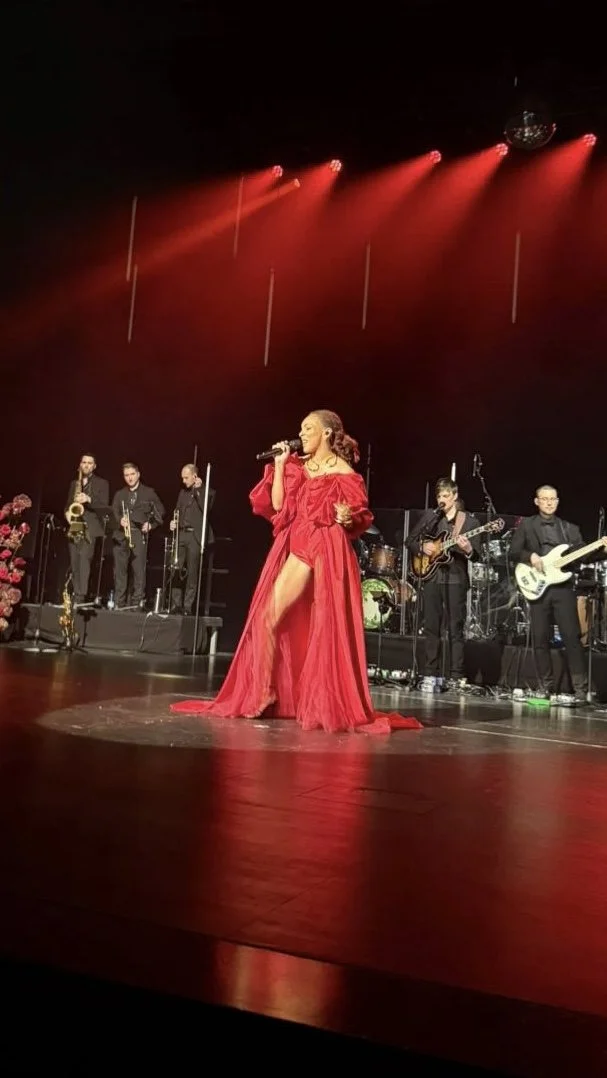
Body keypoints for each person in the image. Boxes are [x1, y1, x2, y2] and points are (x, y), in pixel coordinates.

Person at [170, 410, 421, 734]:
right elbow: (278, 506)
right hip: (299, 543)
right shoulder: (297, 465)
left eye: (308, 428)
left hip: (324, 546)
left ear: (327, 433)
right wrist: (278, 465)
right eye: (301, 428)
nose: (301, 434)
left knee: (318, 623)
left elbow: (358, 517)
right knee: (268, 617)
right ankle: (264, 690)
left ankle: (314, 700)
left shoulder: (345, 474)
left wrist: (346, 517)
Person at [509, 485, 607, 701]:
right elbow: (513, 551)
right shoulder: (527, 525)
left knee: (572, 637)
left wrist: (602, 549)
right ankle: (545, 686)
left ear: (558, 501)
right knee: (540, 638)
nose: (549, 502)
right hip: (538, 588)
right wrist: (530, 556)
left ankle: (580, 689)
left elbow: (583, 555)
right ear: (537, 501)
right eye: (544, 499)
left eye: (552, 499)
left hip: (563, 589)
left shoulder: (569, 528)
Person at [406, 477, 481, 687]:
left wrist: (468, 548)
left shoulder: (469, 522)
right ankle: (431, 672)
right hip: (431, 577)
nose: (442, 500)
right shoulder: (431, 517)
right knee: (432, 626)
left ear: (455, 496)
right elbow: (410, 540)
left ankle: (456, 674)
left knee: (455, 628)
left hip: (456, 579)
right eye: (439, 496)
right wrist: (423, 547)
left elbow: (477, 556)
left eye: (446, 496)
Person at [111, 462, 165, 609]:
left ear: (138, 474)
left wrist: (151, 525)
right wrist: (119, 520)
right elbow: (113, 512)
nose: (129, 478)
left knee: (139, 572)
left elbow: (160, 512)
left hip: (138, 534)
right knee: (120, 572)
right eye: (126, 475)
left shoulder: (149, 493)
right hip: (121, 535)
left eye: (132, 474)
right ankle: (119, 603)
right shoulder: (119, 494)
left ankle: (137, 605)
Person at [169, 463, 215, 615]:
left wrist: (199, 490)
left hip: (195, 536)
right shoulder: (182, 493)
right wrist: (173, 522)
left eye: (186, 478)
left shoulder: (207, 492)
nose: (183, 481)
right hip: (181, 534)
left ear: (195, 476)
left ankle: (188, 606)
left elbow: (206, 508)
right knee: (175, 568)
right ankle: (176, 604)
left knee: (192, 572)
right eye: (182, 478)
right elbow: (177, 510)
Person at [64, 454, 110, 605]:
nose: (86, 465)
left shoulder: (102, 483)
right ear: (80, 464)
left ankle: (80, 596)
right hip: (75, 524)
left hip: (91, 526)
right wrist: (68, 514)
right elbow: (68, 505)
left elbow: (104, 505)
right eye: (84, 462)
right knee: (74, 561)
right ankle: (75, 593)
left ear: (94, 466)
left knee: (84, 560)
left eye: (90, 463)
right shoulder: (74, 484)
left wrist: (88, 499)